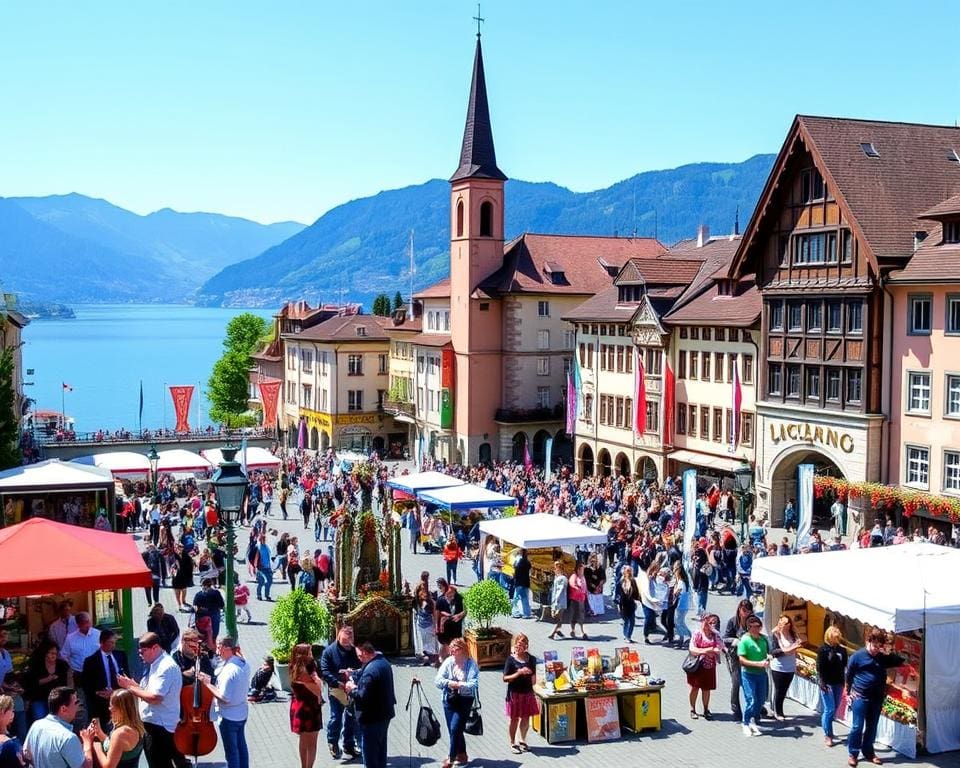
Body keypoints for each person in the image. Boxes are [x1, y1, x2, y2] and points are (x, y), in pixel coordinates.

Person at [116, 632, 184, 768]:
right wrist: (134, 685)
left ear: (155, 648)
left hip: (160, 726)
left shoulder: (165, 666)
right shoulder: (155, 663)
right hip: (153, 724)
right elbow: (149, 691)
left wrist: (129, 687)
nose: (141, 655)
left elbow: (155, 698)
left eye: (144, 651)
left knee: (159, 764)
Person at [845, 629, 904, 767]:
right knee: (857, 726)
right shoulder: (857, 656)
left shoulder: (881, 656)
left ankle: (868, 752)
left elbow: (900, 661)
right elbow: (848, 675)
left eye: (879, 646)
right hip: (860, 697)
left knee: (872, 727)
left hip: (876, 698)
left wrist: (887, 651)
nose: (876, 649)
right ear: (868, 641)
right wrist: (848, 692)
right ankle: (853, 754)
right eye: (874, 646)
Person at [199, 638, 250, 768]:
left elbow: (224, 697)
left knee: (232, 752)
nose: (217, 651)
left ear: (228, 649)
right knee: (241, 746)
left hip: (229, 717)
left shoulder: (229, 671)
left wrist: (207, 684)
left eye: (220, 648)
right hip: (242, 713)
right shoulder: (244, 664)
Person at [344, 641, 395, 768]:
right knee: (381, 753)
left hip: (371, 718)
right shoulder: (383, 662)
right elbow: (366, 675)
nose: (359, 659)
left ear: (365, 653)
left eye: (360, 656)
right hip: (384, 714)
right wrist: (354, 674)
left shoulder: (371, 671)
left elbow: (362, 696)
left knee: (370, 757)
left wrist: (351, 689)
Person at [434, 638, 478, 768]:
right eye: (451, 648)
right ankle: (462, 755)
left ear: (463, 649)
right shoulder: (448, 662)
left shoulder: (471, 664)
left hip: (464, 700)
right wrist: (449, 683)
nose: (452, 650)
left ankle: (451, 758)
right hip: (449, 699)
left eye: (455, 648)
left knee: (455, 728)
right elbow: (438, 680)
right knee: (454, 729)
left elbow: (473, 684)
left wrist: (459, 685)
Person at [319, 627, 359, 761]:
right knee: (336, 718)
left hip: (351, 689)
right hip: (336, 690)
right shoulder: (329, 652)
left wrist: (353, 673)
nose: (347, 644)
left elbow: (362, 665)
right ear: (338, 637)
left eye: (349, 641)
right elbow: (324, 672)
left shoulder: (354, 650)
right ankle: (333, 742)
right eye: (344, 641)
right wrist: (338, 681)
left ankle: (349, 744)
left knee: (351, 718)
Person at [23, 686, 88, 768]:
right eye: (76, 702)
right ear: (63, 709)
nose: (78, 705)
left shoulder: (36, 725)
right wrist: (87, 743)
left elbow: (26, 754)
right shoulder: (68, 738)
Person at [80, 689, 145, 768]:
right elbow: (116, 746)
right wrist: (99, 733)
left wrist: (95, 745)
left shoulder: (120, 734)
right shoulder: (138, 726)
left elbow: (109, 766)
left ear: (122, 709)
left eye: (112, 706)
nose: (109, 708)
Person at [80, 629, 128, 727]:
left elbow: (127, 676)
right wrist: (98, 693)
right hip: (100, 702)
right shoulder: (90, 661)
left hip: (119, 698)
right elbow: (86, 684)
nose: (114, 645)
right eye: (111, 642)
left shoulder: (121, 655)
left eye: (115, 642)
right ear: (102, 643)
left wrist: (115, 692)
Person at [288, 644, 324, 768]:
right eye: (309, 652)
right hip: (309, 708)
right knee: (312, 742)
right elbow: (318, 690)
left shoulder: (293, 666)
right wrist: (316, 680)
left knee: (303, 741)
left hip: (299, 706)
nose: (312, 655)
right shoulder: (304, 672)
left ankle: (304, 766)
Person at [502, 633, 537, 755]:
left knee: (526, 717)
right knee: (514, 719)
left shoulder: (532, 659)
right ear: (515, 645)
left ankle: (522, 740)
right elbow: (505, 678)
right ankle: (513, 742)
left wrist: (533, 679)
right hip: (514, 693)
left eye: (523, 644)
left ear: (526, 645)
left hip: (527, 692)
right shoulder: (510, 660)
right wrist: (519, 673)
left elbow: (534, 678)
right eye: (518, 644)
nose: (521, 646)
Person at [737, 614, 770, 737]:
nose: (755, 629)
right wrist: (757, 663)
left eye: (757, 626)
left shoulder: (763, 640)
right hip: (748, 674)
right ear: (748, 628)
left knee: (760, 700)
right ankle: (745, 722)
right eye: (752, 627)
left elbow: (768, 653)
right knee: (751, 700)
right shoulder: (745, 640)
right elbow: (741, 660)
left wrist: (768, 659)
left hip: (761, 675)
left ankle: (753, 720)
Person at [686, 614, 723, 721]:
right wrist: (707, 650)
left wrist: (716, 649)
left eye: (712, 623)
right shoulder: (697, 634)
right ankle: (692, 709)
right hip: (697, 665)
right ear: (702, 621)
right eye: (707, 622)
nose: (709, 625)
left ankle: (706, 709)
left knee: (706, 689)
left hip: (710, 666)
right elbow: (692, 649)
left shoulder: (715, 635)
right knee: (694, 688)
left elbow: (721, 646)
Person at [817, 626, 848, 748]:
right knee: (829, 709)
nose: (837, 638)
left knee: (834, 709)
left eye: (838, 636)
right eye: (835, 636)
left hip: (838, 682)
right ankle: (828, 734)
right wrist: (822, 682)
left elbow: (845, 665)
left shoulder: (842, 650)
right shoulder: (823, 649)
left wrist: (845, 681)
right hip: (827, 682)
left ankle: (827, 726)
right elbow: (819, 667)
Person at [23, 641, 69, 723]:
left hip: (57, 700)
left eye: (55, 653)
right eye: (51, 653)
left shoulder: (62, 665)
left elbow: (66, 684)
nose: (54, 655)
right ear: (45, 653)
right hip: (39, 698)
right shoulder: (36, 665)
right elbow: (30, 683)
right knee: (41, 721)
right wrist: (48, 679)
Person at [723, 599, 754, 722]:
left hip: (749, 656)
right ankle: (735, 708)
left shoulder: (753, 621)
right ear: (739, 610)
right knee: (736, 682)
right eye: (744, 610)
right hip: (735, 656)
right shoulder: (733, 621)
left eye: (749, 611)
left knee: (751, 682)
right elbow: (725, 638)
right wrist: (735, 641)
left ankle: (755, 707)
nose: (746, 613)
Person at [769, 613, 801, 721]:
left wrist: (790, 650)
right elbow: (774, 651)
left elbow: (797, 645)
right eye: (781, 622)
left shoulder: (792, 634)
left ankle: (779, 709)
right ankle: (777, 712)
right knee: (779, 689)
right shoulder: (776, 635)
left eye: (785, 623)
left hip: (790, 667)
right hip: (778, 667)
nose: (782, 625)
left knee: (784, 690)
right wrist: (788, 650)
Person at [436, 580, 465, 661]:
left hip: (456, 626)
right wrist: (437, 626)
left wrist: (459, 615)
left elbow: (465, 611)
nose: (450, 598)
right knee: (445, 643)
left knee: (454, 643)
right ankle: (442, 659)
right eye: (448, 596)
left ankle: (452, 658)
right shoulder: (441, 599)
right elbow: (437, 613)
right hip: (445, 627)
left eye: (451, 596)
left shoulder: (459, 599)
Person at [414, 583, 439, 665]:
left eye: (424, 594)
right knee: (424, 642)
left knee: (431, 642)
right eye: (420, 593)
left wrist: (436, 626)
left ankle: (433, 659)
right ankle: (427, 658)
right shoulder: (418, 602)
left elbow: (434, 614)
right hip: (421, 624)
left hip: (429, 624)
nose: (422, 595)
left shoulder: (430, 603)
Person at [672, 561, 692, 649]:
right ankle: (685, 637)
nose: (674, 572)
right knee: (680, 622)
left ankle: (685, 637)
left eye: (675, 570)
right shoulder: (684, 581)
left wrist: (674, 592)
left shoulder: (681, 582)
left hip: (681, 605)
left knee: (678, 622)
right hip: (684, 605)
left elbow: (677, 592)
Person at [617, 566, 640, 643]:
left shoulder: (633, 581)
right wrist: (618, 605)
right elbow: (618, 594)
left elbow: (636, 592)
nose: (629, 572)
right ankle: (625, 634)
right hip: (623, 604)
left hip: (631, 604)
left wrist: (637, 600)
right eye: (627, 571)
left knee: (632, 621)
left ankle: (628, 636)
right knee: (626, 621)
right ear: (624, 572)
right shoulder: (620, 582)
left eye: (630, 571)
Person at [0, 694, 24, 768]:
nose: (13, 714)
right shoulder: (7, 744)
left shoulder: (9, 737)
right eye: (11, 711)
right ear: (2, 712)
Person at [547, 561, 568, 640]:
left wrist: (556, 602)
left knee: (557, 617)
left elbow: (560, 591)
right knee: (559, 618)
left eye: (556, 568)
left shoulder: (562, 578)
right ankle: (558, 631)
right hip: (557, 601)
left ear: (560, 568)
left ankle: (553, 633)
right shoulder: (558, 577)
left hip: (560, 601)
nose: (554, 570)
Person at [170, 544, 195, 612]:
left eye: (181, 547)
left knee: (183, 589)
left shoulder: (186, 556)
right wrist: (172, 569)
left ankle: (183, 601)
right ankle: (179, 604)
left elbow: (190, 566)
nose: (179, 549)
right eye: (178, 547)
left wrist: (190, 576)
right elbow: (170, 564)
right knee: (177, 590)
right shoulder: (173, 556)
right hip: (176, 577)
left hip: (184, 576)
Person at [510, 549, 532, 619]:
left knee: (516, 598)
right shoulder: (527, 562)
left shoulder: (518, 562)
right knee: (524, 598)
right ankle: (527, 613)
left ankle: (515, 613)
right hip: (526, 582)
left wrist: (514, 567)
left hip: (519, 582)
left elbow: (516, 571)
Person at [253, 533, 274, 601]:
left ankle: (267, 595)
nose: (264, 540)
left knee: (269, 581)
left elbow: (269, 556)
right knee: (261, 582)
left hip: (267, 567)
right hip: (261, 567)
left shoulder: (266, 546)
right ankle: (259, 595)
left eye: (265, 539)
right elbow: (256, 558)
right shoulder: (258, 547)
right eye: (263, 539)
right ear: (260, 539)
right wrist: (255, 567)